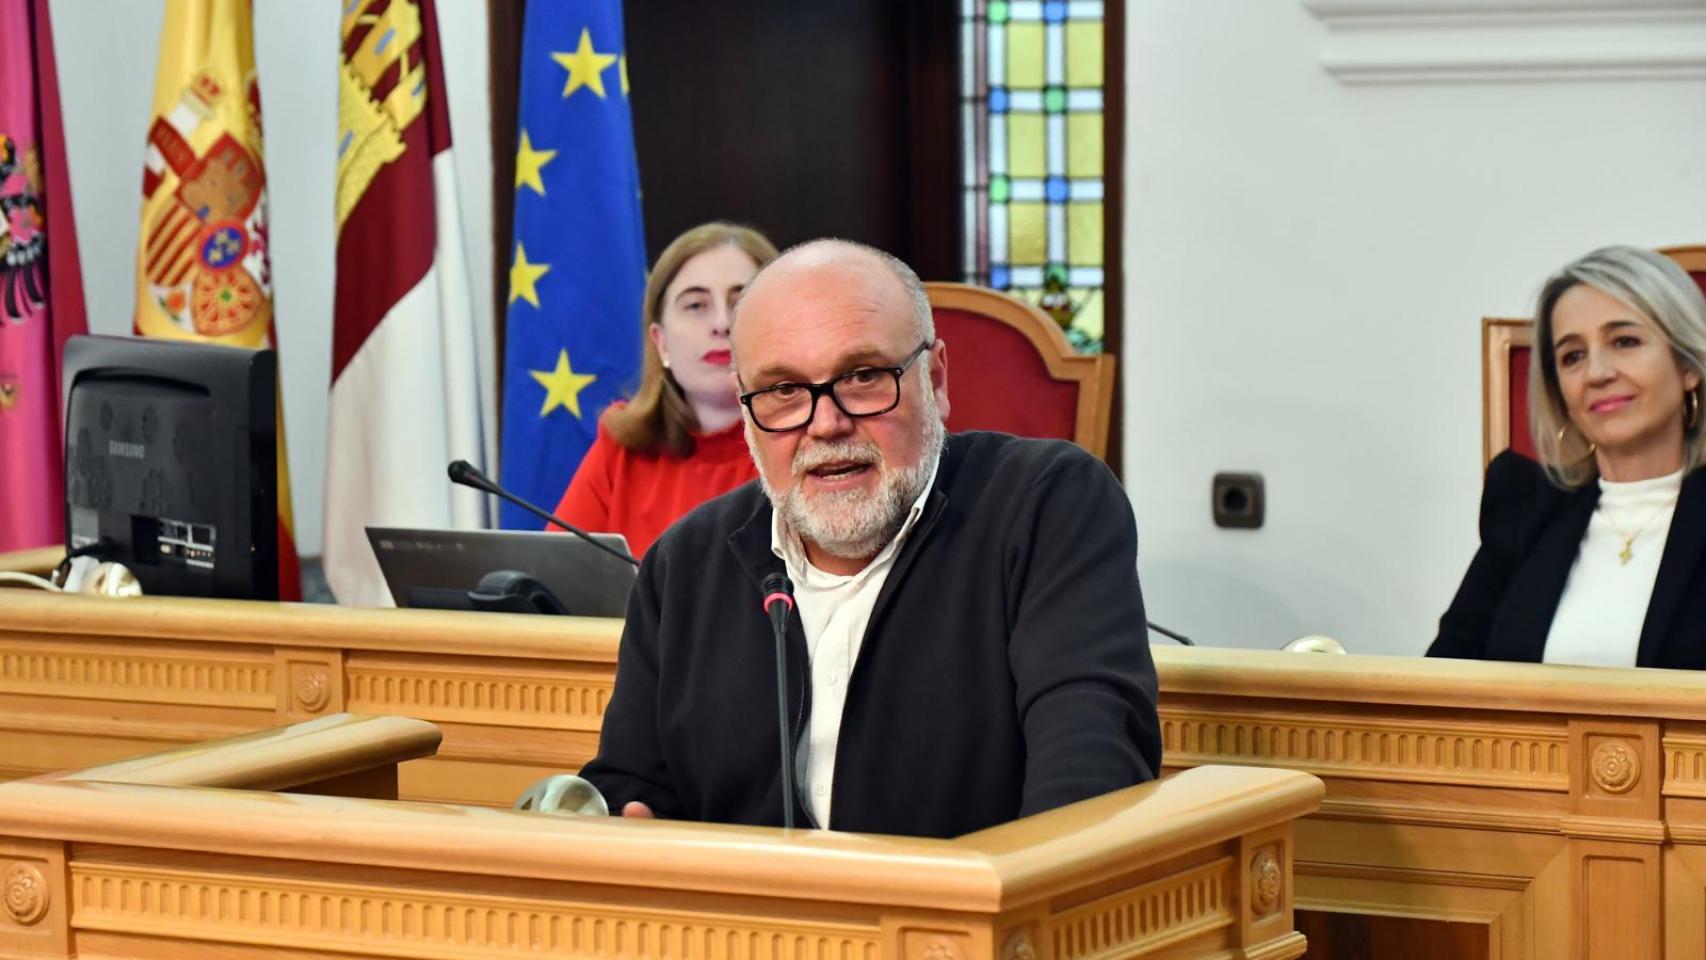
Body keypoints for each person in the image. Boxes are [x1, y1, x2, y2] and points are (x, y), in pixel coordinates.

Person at [578, 239, 1161, 838]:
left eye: (861, 377)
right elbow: (630, 789)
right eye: (783, 391)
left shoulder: (1046, 504)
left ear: (934, 379)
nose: (825, 424)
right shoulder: (684, 565)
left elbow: (1090, 777)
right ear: (748, 410)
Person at [1431, 246, 1706, 668]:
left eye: (1624, 341)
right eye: (1572, 356)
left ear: (1688, 366)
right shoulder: (1523, 507)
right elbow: (1442, 682)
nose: (1597, 373)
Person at [550, 223, 779, 557]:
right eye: (696, 305)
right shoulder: (622, 450)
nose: (722, 323)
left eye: (740, 302)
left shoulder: (807, 444)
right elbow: (556, 581)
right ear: (662, 343)